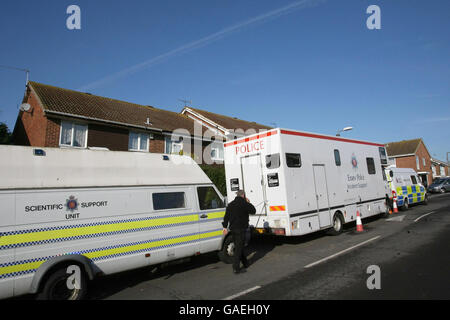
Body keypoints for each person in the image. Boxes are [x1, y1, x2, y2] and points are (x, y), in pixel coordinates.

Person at [222, 190, 256, 274]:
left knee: (239, 246)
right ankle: (236, 268)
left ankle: (245, 263)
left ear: (237, 195)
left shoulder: (230, 204)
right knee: (238, 248)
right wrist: (248, 202)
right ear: (243, 195)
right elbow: (253, 211)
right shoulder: (244, 203)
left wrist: (224, 227)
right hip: (241, 229)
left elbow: (226, 217)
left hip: (233, 229)